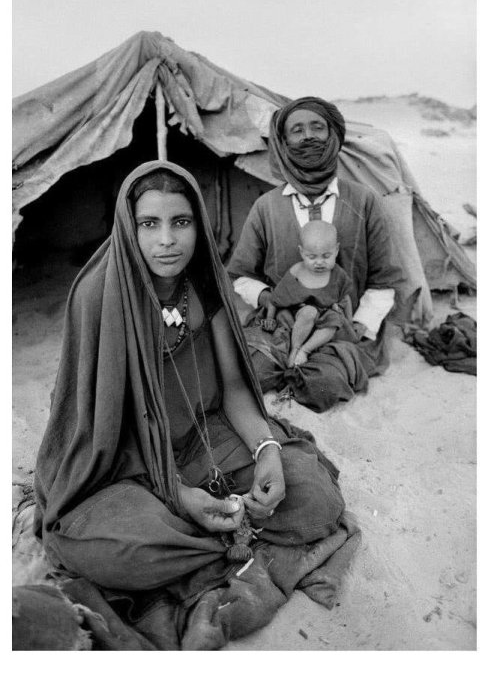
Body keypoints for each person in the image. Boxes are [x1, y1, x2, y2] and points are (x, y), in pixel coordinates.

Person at [33, 160, 359, 650]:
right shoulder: (99, 296)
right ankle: (224, 534)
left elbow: (231, 388)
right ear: (129, 226)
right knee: (121, 550)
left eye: (180, 222)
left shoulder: (205, 284)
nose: (167, 239)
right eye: (150, 224)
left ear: (197, 224)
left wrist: (267, 448)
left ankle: (213, 534)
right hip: (128, 464)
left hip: (208, 439)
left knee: (315, 497)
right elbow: (96, 432)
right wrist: (178, 494)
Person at [227, 96, 403, 412]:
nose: (308, 136)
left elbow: (385, 278)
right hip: (279, 324)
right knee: (250, 371)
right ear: (283, 142)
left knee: (324, 386)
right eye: (297, 130)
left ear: (332, 135)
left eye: (317, 127)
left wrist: (361, 325)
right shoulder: (266, 207)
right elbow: (241, 275)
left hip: (342, 326)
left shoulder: (364, 201)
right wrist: (268, 298)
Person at [261, 220, 356, 369]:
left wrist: (350, 323)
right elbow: (275, 300)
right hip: (298, 317)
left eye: (326, 256)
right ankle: (295, 349)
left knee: (334, 318)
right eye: (312, 257)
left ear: (336, 250)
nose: (319, 262)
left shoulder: (338, 274)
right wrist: (269, 319)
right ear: (301, 252)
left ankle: (306, 350)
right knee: (309, 311)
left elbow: (345, 298)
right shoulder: (296, 272)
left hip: (324, 322)